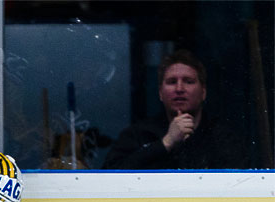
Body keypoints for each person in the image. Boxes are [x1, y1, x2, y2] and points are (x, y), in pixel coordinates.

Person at [102, 49, 248, 169]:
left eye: (188, 82)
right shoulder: (139, 134)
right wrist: (166, 142)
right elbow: (109, 177)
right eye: (172, 82)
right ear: (160, 93)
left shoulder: (222, 137)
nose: (179, 89)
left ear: (203, 92)